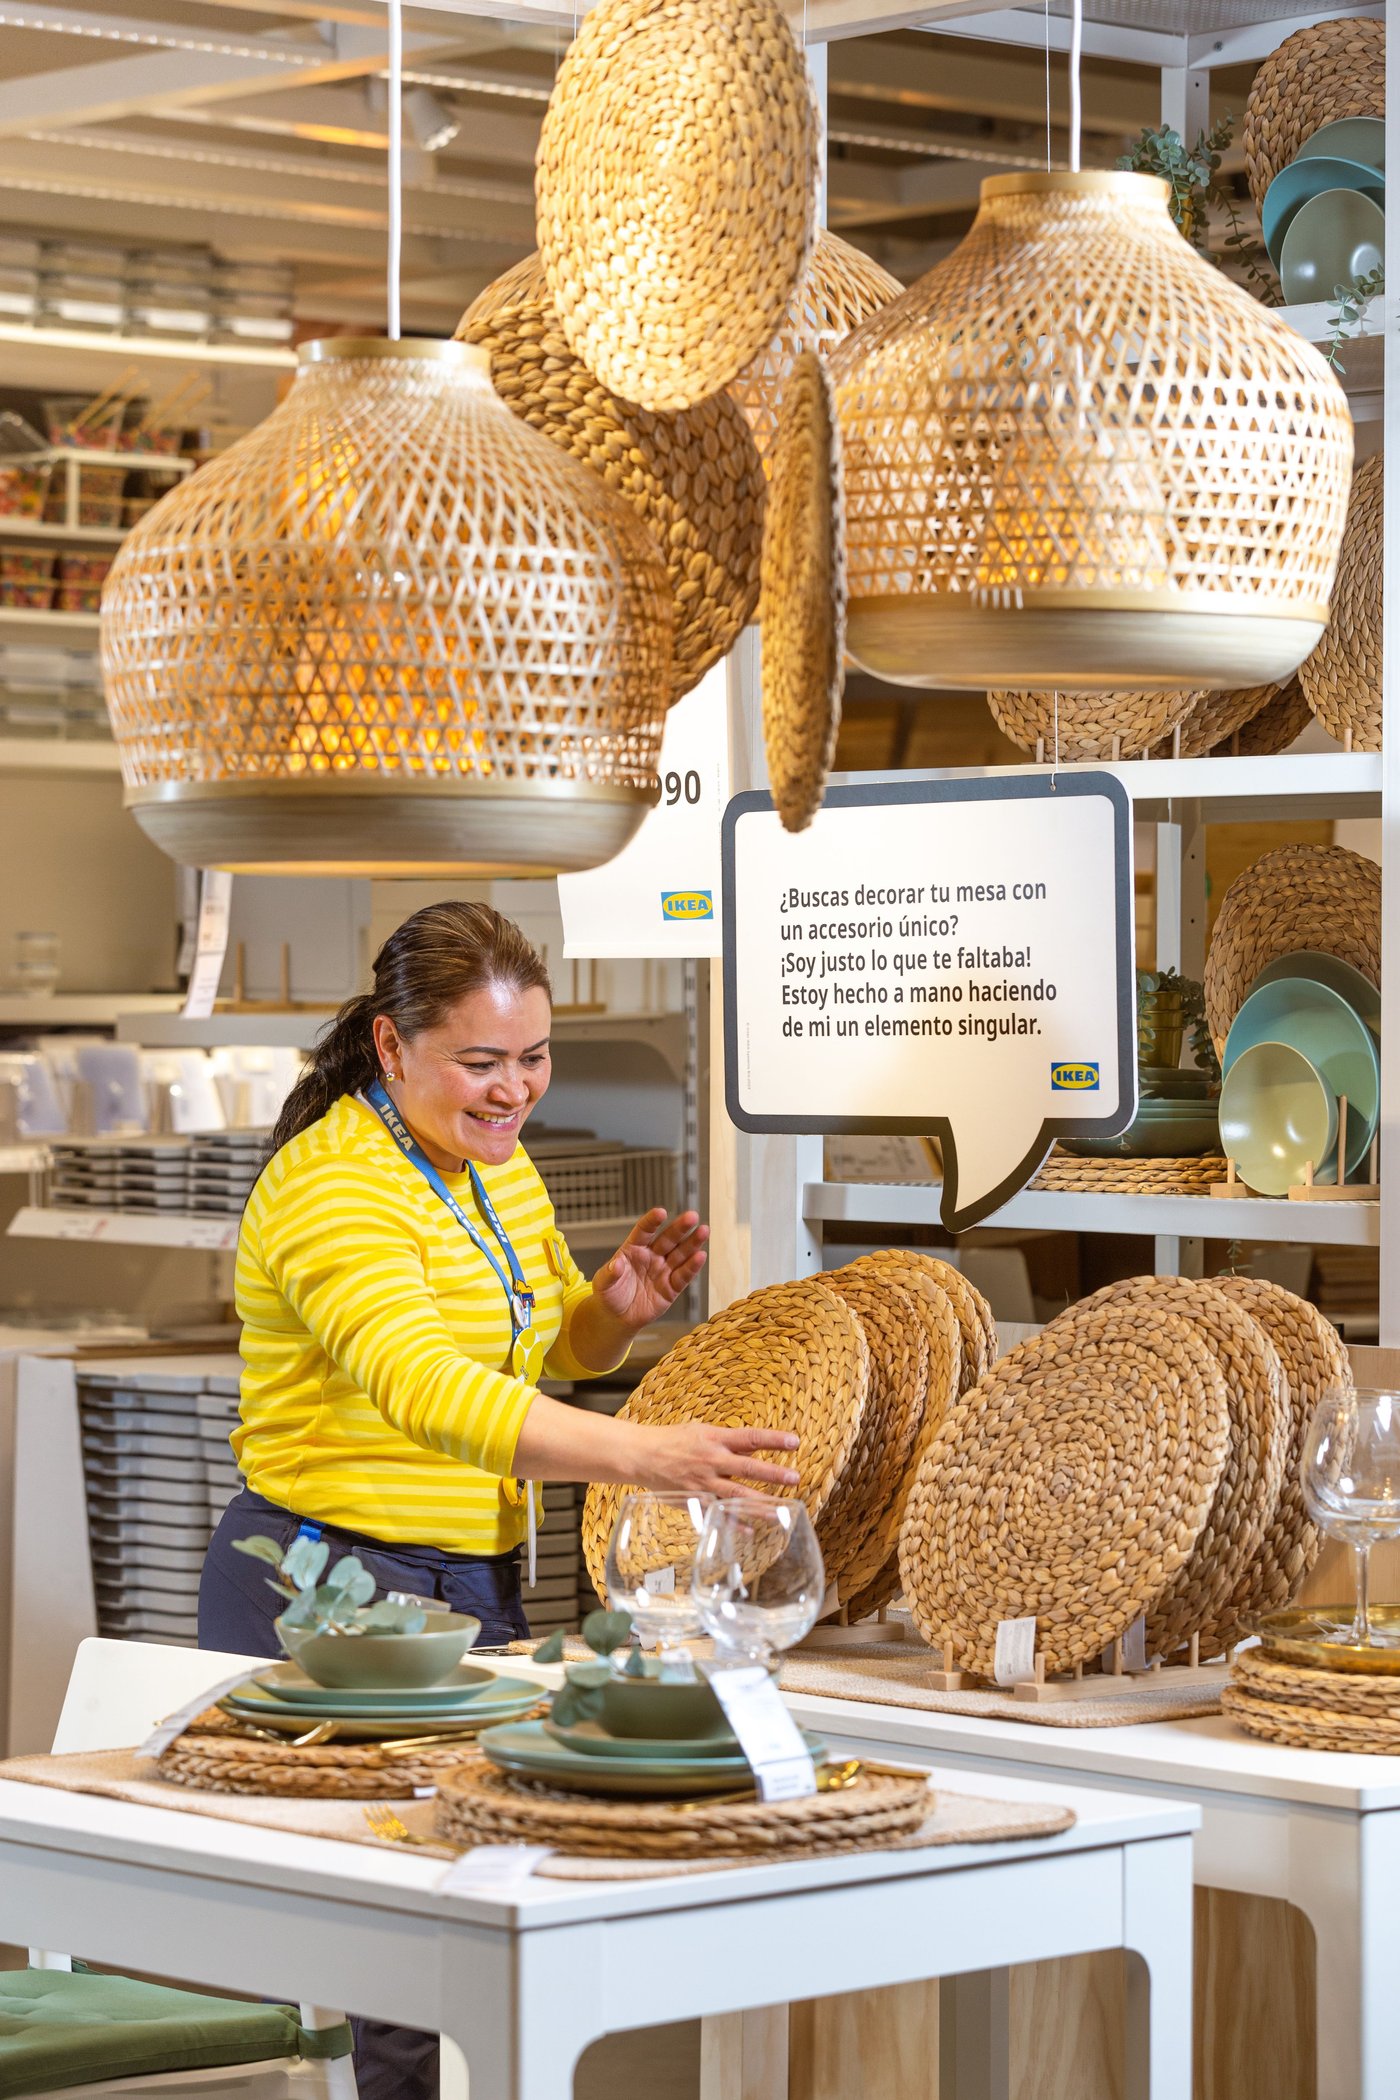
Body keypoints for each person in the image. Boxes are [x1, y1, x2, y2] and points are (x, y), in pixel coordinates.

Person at [198, 900, 798, 2100]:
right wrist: (645, 1455)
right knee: (410, 1958)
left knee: (485, 1905)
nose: (512, 1090)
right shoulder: (332, 1187)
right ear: (389, 1045)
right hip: (329, 1586)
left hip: (470, 1578)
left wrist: (606, 1315)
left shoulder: (496, 1165)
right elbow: (428, 1389)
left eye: (532, 1057)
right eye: (480, 1062)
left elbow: (532, 1348)